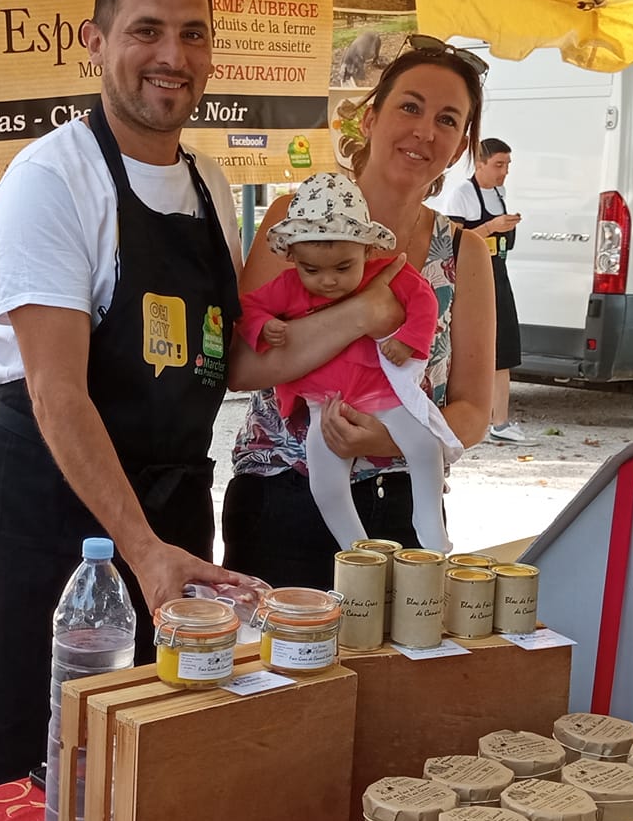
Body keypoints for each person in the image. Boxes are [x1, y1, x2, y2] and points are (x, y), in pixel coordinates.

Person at [0, 0, 248, 791]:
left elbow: (220, 361)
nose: (172, 56)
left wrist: (370, 310)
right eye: (147, 30)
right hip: (55, 502)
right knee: (39, 748)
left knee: (157, 745)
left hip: (172, 500)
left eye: (192, 34)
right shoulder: (52, 180)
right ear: (94, 41)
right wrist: (139, 550)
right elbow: (57, 395)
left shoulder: (212, 185)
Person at [222, 41, 496, 588]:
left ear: (461, 144)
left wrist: (389, 439)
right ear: (370, 119)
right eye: (410, 107)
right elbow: (242, 367)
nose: (425, 131)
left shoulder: (463, 253)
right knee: (281, 672)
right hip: (282, 500)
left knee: (395, 674)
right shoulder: (292, 220)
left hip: (402, 509)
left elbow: (473, 410)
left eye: (447, 119)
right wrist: (365, 313)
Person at [238, 172, 459, 553]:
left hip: (382, 393)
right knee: (324, 480)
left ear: (368, 251)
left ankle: (431, 528)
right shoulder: (288, 286)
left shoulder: (389, 274)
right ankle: (356, 548)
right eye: (312, 270)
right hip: (326, 404)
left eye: (343, 268)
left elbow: (425, 300)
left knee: (426, 446)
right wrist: (264, 325)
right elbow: (248, 307)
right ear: (293, 258)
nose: (327, 281)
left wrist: (410, 340)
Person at [437, 136, 524, 440]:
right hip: (470, 277)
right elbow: (453, 242)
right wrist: (491, 227)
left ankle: (500, 421)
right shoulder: (462, 195)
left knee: (505, 348)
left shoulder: (500, 194)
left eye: (507, 165)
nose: (504, 172)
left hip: (498, 273)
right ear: (480, 163)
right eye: (499, 164)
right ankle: (471, 419)